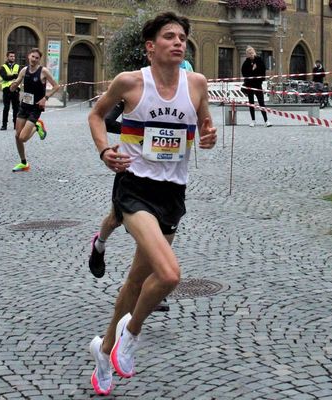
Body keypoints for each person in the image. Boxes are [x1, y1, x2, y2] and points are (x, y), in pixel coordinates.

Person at [87, 12, 217, 395]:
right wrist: (104, 150)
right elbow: (95, 115)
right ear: (151, 47)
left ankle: (105, 352)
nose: (178, 42)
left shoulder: (196, 84)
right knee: (170, 274)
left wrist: (208, 136)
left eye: (182, 37)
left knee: (136, 281)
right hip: (134, 189)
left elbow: (205, 125)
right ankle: (131, 334)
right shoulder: (130, 83)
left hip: (172, 194)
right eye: (169, 37)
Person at [89, 59, 196, 311]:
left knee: (154, 235)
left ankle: (146, 287)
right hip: (134, 171)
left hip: (166, 180)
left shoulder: (189, 79)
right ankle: (99, 243)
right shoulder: (137, 85)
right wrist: (137, 128)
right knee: (115, 219)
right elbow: (105, 119)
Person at [9, 48, 60, 172]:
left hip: (36, 108)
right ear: (28, 56)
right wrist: (14, 85)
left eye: (37, 58)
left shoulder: (44, 71)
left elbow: (56, 86)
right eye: (33, 57)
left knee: (23, 138)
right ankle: (23, 163)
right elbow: (12, 88)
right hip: (24, 105)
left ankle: (37, 126)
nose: (34, 59)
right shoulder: (24, 70)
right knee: (17, 135)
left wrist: (45, 98)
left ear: (39, 60)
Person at [241, 46, 271, 127]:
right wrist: (252, 70)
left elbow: (262, 72)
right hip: (249, 85)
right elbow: (245, 74)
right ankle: (253, 120)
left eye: (251, 52)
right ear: (247, 54)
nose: (250, 54)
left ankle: (266, 120)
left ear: (254, 52)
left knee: (261, 102)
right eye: (249, 53)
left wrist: (257, 74)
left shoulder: (259, 60)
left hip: (257, 84)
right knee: (251, 103)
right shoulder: (246, 63)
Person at [0, 51, 20, 131]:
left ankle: (16, 124)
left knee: (16, 108)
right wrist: (14, 76)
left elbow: (19, 77)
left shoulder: (17, 66)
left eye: (14, 56)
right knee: (6, 108)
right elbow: (4, 77)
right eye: (11, 56)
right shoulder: (3, 67)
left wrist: (12, 76)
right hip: (6, 89)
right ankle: (4, 125)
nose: (13, 58)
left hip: (15, 89)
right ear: (7, 57)